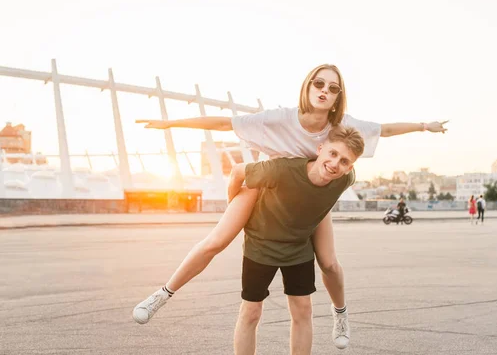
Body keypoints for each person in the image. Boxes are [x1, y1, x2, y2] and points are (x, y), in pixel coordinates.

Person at [133, 64, 449, 348]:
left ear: (339, 97)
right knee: (214, 243)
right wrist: (171, 124)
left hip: (312, 197)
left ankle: (340, 312)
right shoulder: (280, 118)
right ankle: (163, 293)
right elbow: (223, 124)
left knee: (329, 263)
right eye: (319, 84)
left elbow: (386, 129)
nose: (325, 91)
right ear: (307, 87)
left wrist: (424, 125)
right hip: (269, 183)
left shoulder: (341, 128)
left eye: (333, 88)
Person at [231, 125, 363, 354]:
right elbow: (236, 172)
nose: (335, 164)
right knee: (251, 311)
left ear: (350, 167)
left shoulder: (345, 178)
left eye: (344, 161)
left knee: (303, 310)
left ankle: (340, 312)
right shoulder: (281, 170)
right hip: (261, 245)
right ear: (320, 149)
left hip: (298, 247)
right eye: (333, 154)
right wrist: (233, 209)